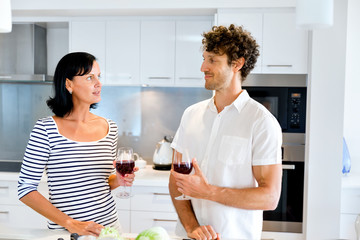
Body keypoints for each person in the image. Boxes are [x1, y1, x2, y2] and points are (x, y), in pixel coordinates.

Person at [169, 24, 283, 240]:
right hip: (189, 236)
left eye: (212, 60)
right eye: (204, 58)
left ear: (237, 64)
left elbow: (270, 197)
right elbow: (176, 180)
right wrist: (191, 227)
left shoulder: (261, 122)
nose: (203, 67)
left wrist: (207, 191)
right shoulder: (191, 114)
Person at [17, 52, 137, 237]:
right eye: (90, 77)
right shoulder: (46, 129)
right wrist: (70, 223)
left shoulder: (109, 128)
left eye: (99, 76)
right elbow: (26, 188)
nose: (99, 83)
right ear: (68, 84)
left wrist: (118, 180)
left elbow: (103, 181)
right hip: (68, 232)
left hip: (109, 229)